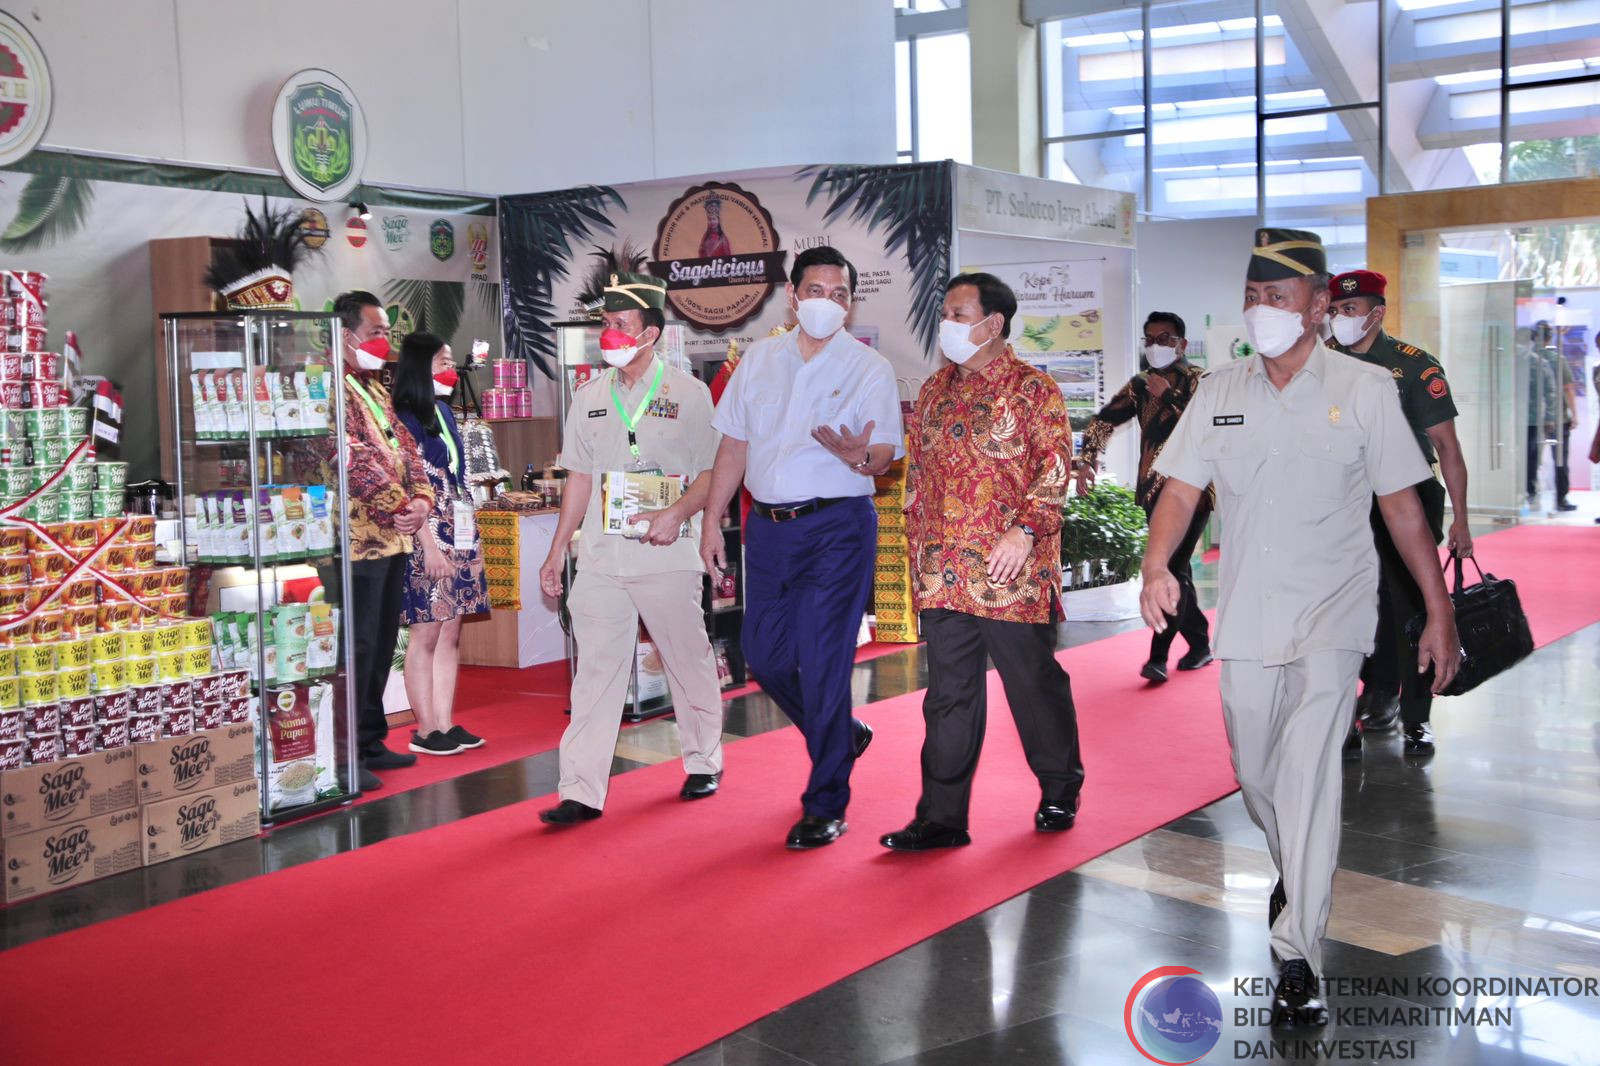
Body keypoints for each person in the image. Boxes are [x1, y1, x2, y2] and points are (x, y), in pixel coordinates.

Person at [1138, 229, 1460, 1030]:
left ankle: (1298, 953)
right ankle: (1297, 866)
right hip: (1248, 613)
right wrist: (1156, 565)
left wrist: (1440, 608)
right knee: (1258, 774)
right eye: (1252, 297)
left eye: (1277, 298)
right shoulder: (1219, 389)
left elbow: (1402, 506)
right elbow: (1179, 488)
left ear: (1319, 306)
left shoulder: (1366, 387)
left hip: (1334, 613)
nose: (1261, 311)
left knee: (1309, 778)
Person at [700, 245, 904, 849]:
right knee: (763, 657)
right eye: (816, 291)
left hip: (837, 528)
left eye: (839, 294)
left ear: (850, 302)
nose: (827, 303)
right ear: (793, 296)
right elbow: (732, 448)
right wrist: (712, 520)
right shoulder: (757, 361)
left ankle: (824, 802)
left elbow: (883, 456)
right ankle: (839, 732)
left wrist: (857, 458)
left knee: (821, 660)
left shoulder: (868, 368)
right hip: (766, 531)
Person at [879, 273, 1083, 852]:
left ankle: (1059, 785)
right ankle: (942, 816)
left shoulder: (1033, 389)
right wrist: (917, 550)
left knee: (1032, 683)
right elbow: (919, 474)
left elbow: (1055, 467)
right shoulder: (937, 388)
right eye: (946, 311)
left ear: (993, 324)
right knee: (947, 695)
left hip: (1009, 571)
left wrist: (1025, 530)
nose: (947, 323)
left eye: (959, 313)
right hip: (944, 570)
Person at [537, 263, 724, 826]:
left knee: (685, 657)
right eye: (605, 323)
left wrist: (676, 514)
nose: (609, 335)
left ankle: (702, 759)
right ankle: (581, 788)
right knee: (595, 671)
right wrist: (557, 549)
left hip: (666, 551)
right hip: (600, 556)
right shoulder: (590, 395)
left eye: (622, 324)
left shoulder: (688, 394)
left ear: (649, 333)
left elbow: (712, 472)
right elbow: (578, 478)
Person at [1327, 270, 1472, 757]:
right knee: (1343, 607)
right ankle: (1345, 716)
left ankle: (1416, 717)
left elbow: (1447, 447)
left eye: (1349, 310)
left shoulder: (1413, 367)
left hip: (1407, 496)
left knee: (1411, 610)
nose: (1340, 319)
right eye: (1334, 310)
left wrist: (1462, 518)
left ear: (1377, 312)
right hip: (1344, 498)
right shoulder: (1322, 363)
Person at [330, 291, 433, 791]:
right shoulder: (329, 388)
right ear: (346, 335)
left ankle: (370, 739)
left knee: (380, 641)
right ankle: (345, 752)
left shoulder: (372, 387)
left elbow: (405, 447)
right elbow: (349, 459)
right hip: (357, 541)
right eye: (376, 332)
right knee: (358, 644)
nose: (385, 341)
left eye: (386, 332)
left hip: (393, 539)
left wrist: (421, 501)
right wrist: (399, 504)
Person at [1076, 311, 1213, 683]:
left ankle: (1158, 655)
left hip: (1194, 491)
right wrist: (1087, 460)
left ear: (1182, 344)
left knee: (1170, 568)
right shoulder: (1140, 384)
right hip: (1152, 490)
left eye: (1164, 338)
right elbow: (1105, 419)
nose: (1156, 345)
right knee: (1177, 570)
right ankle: (1200, 643)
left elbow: (1207, 429)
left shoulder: (1203, 382)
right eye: (1149, 339)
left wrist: (1168, 398)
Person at [390, 332, 490, 756]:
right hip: (426, 532)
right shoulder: (402, 417)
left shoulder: (445, 412)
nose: (451, 369)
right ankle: (425, 728)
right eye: (443, 361)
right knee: (426, 633)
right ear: (421, 366)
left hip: (459, 525)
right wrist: (428, 545)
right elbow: (407, 488)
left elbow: (457, 475)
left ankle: (446, 722)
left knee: (451, 633)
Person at [1525, 322, 1578, 511]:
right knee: (1560, 460)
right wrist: (1574, 414)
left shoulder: (1526, 359)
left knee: (1531, 459)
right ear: (1549, 337)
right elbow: (1568, 388)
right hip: (1558, 417)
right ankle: (1561, 500)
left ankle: (1530, 496)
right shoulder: (1557, 359)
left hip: (1532, 418)